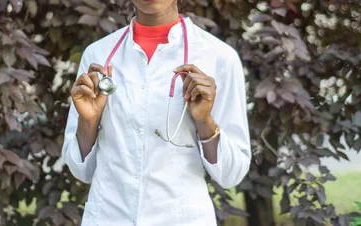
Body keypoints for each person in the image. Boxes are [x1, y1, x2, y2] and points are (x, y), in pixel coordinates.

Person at [62, 0, 251, 225]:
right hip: (109, 216)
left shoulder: (219, 57)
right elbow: (80, 170)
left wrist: (204, 121)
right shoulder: (98, 54)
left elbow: (231, 174)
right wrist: (89, 121)